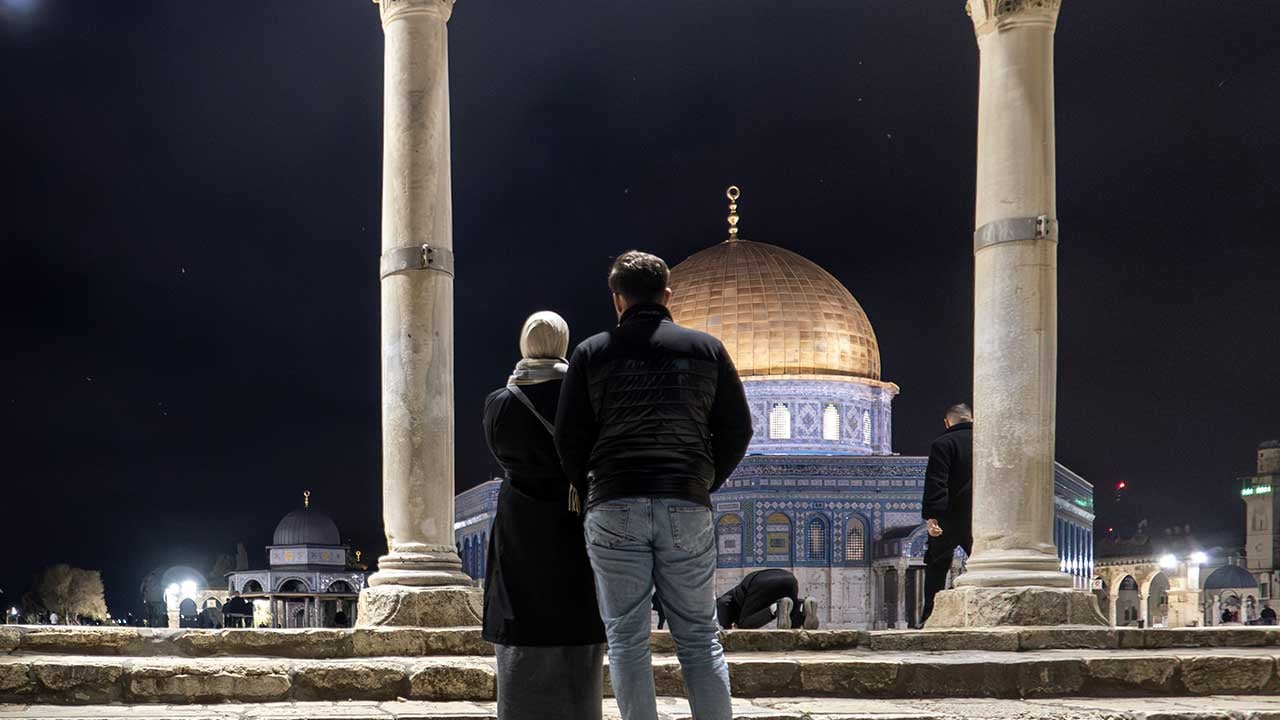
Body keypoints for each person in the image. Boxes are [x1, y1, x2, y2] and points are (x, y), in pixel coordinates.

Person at [556, 251, 753, 720]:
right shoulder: (706, 349)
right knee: (700, 638)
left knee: (625, 639)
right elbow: (738, 430)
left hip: (614, 501)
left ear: (617, 299)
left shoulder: (591, 353)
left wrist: (594, 483)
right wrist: (701, 480)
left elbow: (568, 438)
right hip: (685, 501)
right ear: (667, 296)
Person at [482, 311, 607, 720]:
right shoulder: (586, 396)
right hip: (575, 518)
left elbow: (501, 454)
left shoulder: (500, 404)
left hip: (520, 525)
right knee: (576, 612)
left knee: (523, 614)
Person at [919, 403, 975, 625]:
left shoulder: (942, 443)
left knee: (936, 567)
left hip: (948, 518)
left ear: (947, 422)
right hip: (979, 519)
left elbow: (937, 482)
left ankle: (930, 618)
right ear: (971, 419)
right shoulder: (987, 443)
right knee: (985, 565)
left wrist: (931, 516)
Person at [715, 569, 818, 630]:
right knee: (791, 619)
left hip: (761, 582)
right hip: (789, 579)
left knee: (745, 624)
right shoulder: (743, 599)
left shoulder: (726, 600)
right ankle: (803, 607)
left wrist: (727, 626)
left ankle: (776, 608)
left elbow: (723, 603)